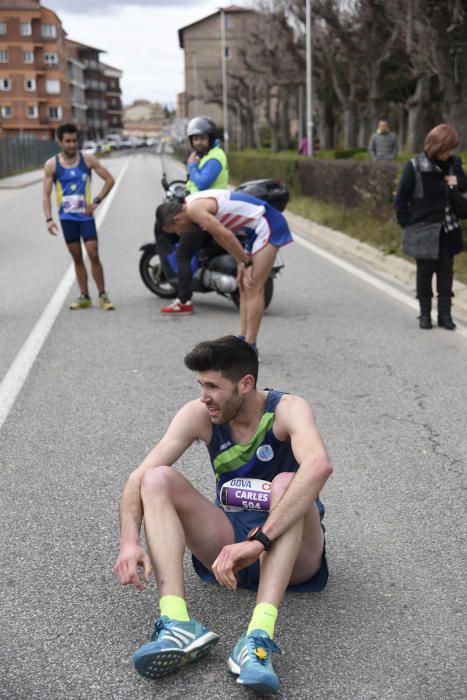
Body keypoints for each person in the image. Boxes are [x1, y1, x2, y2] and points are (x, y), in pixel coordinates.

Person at [114, 336, 332, 694]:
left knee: (287, 481)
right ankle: (177, 622)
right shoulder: (200, 415)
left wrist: (260, 541)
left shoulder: (288, 410)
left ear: (245, 385)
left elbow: (320, 466)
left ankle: (257, 640)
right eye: (201, 385)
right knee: (155, 479)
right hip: (230, 548)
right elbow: (137, 477)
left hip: (294, 556)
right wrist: (128, 540)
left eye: (213, 386)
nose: (204, 396)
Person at [156, 189, 293, 352]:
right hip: (253, 230)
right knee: (242, 284)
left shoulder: (194, 210)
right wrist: (240, 262)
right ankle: (242, 340)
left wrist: (247, 263)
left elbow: (226, 235)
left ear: (177, 219)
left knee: (254, 286)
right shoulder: (190, 205)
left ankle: (251, 347)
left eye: (175, 231)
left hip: (268, 224)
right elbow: (220, 237)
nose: (180, 234)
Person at [395, 123, 467, 330]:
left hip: (448, 229)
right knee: (424, 274)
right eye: (448, 148)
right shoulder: (415, 165)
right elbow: (401, 199)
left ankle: (445, 316)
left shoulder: (454, 163)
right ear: (436, 147)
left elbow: (463, 184)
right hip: (423, 230)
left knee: (446, 275)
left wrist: (455, 181)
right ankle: (425, 314)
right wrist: (407, 224)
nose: (451, 153)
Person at [158, 116, 229, 316]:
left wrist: (191, 165)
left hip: (203, 215)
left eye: (202, 138)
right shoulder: (206, 156)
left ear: (210, 138)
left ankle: (184, 300)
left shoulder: (215, 157)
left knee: (183, 254)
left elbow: (203, 182)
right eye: (194, 139)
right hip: (205, 208)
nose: (198, 142)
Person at [43, 122, 115, 310]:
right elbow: (46, 194)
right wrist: (49, 219)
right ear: (59, 141)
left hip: (85, 218)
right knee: (76, 258)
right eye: (67, 141)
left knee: (93, 254)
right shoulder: (52, 165)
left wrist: (96, 202)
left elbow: (109, 180)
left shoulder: (88, 160)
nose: (71, 145)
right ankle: (84, 296)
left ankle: (102, 295)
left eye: (74, 141)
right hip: (67, 219)